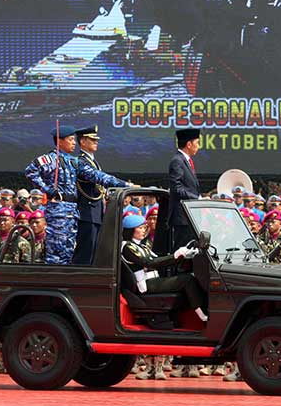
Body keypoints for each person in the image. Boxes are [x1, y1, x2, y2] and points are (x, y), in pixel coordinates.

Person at [24, 125, 130, 264]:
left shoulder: (74, 162)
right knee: (57, 250)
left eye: (74, 140)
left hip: (72, 209)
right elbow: (30, 171)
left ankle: (65, 279)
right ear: (60, 141)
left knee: (68, 250)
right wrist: (46, 188)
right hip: (58, 209)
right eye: (70, 140)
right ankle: (55, 279)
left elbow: (96, 175)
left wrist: (124, 184)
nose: (74, 143)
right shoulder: (50, 159)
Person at [121, 214, 207, 322]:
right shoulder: (128, 247)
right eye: (140, 228)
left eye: (144, 227)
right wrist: (175, 256)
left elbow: (158, 259)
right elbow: (149, 262)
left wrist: (181, 254)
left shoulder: (141, 245)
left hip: (152, 279)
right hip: (144, 283)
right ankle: (201, 314)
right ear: (131, 230)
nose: (144, 230)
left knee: (188, 276)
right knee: (187, 280)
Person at [72, 125, 108, 265]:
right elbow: (99, 178)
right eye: (92, 140)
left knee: (93, 251)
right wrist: (126, 185)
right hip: (87, 212)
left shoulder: (92, 160)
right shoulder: (81, 161)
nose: (96, 142)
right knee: (85, 252)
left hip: (95, 212)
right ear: (82, 142)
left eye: (96, 140)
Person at [168, 128, 201, 252]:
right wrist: (197, 198)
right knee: (181, 251)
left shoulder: (185, 161)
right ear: (189, 144)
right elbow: (176, 188)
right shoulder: (177, 161)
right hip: (182, 216)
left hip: (189, 214)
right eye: (197, 143)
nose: (198, 146)